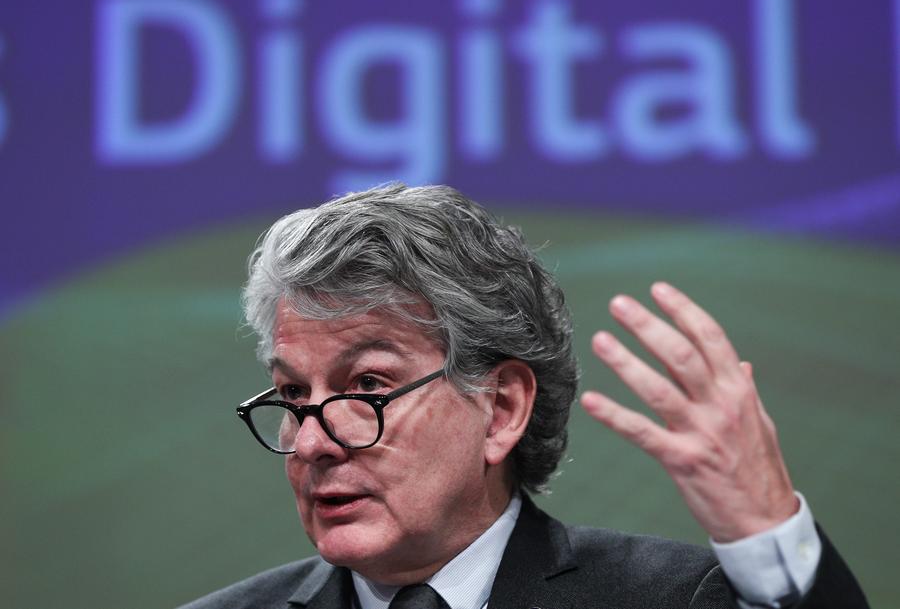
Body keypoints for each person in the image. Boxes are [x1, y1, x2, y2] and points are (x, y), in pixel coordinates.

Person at [180, 184, 868, 609]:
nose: (311, 439)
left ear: (502, 407)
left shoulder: (676, 599)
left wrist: (769, 536)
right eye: (295, 393)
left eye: (368, 385)